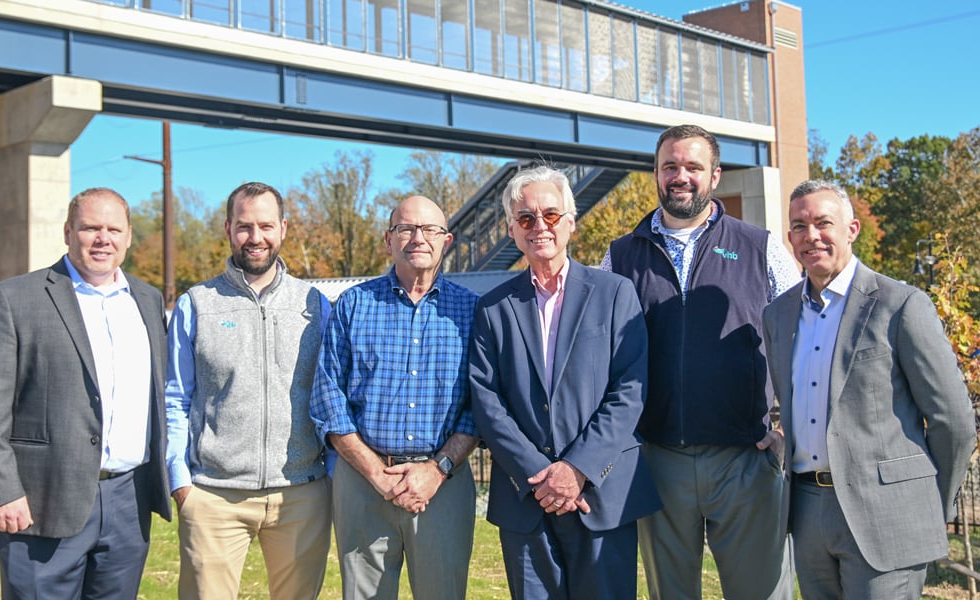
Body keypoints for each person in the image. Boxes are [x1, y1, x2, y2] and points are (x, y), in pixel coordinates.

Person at [602, 124, 801, 600]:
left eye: (693, 167)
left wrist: (787, 429)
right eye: (670, 166)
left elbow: (801, 338)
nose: (680, 176)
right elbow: (601, 353)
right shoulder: (619, 256)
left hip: (746, 459)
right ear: (655, 173)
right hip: (658, 458)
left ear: (714, 175)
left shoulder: (761, 246)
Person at [762, 179, 975, 599]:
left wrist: (931, 503)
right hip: (806, 511)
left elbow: (955, 421)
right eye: (800, 227)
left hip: (888, 515)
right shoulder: (778, 315)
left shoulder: (901, 305)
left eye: (824, 223)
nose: (812, 236)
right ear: (790, 238)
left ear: (852, 229)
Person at [0, 187, 172, 599]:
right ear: (68, 232)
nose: (102, 238)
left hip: (129, 501)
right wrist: (0, 491)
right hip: (41, 502)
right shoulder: (15, 298)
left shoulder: (146, 300)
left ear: (128, 237)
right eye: (90, 227)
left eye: (113, 229)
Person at [470, 165, 662, 599]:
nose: (540, 226)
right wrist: (540, 474)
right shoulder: (493, 307)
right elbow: (486, 399)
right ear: (512, 231)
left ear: (571, 222)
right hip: (526, 500)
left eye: (551, 215)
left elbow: (629, 389)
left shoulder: (615, 293)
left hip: (601, 493)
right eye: (526, 219)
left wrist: (576, 469)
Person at [165, 181, 332, 600]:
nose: (255, 238)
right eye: (244, 226)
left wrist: (328, 477)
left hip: (302, 494)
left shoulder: (314, 305)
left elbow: (331, 393)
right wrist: (181, 482)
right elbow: (175, 397)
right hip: (213, 497)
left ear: (284, 229)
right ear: (227, 229)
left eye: (265, 226)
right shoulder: (196, 304)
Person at [310, 195, 479, 600]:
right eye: (406, 228)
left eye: (430, 230)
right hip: (362, 485)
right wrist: (373, 472)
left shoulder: (473, 311)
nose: (418, 238)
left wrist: (436, 470)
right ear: (389, 239)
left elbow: (480, 403)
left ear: (447, 240)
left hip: (444, 483)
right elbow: (328, 396)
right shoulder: (354, 304)